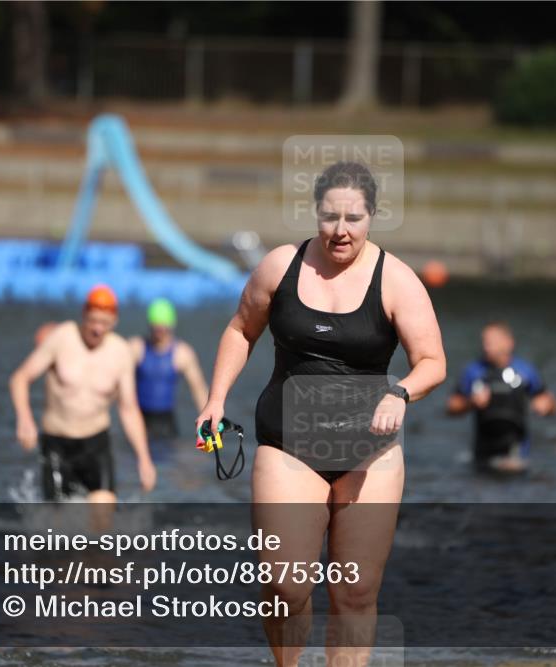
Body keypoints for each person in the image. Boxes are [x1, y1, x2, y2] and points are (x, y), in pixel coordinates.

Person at [196, 161, 445, 666]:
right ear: (316, 214)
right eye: (330, 217)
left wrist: (400, 394)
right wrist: (215, 400)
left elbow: (433, 363)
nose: (340, 230)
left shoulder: (396, 279)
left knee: (355, 593)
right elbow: (241, 330)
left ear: (372, 216)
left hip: (369, 455)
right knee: (285, 586)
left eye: (353, 217)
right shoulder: (280, 266)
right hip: (288, 445)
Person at [10, 284, 157, 502]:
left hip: (96, 444)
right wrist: (25, 419)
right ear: (84, 315)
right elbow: (20, 378)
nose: (97, 329)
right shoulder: (62, 338)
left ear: (114, 322)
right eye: (93, 321)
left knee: (104, 513)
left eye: (104, 323)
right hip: (57, 444)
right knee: (58, 525)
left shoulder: (121, 352)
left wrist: (144, 458)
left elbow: (128, 409)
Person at [446, 322, 556, 473]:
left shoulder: (525, 370)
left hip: (517, 454)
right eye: (484, 342)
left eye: (492, 342)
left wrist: (546, 406)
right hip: (483, 453)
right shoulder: (473, 371)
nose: (486, 346)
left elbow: (549, 402)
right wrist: (471, 402)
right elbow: (452, 407)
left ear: (509, 343)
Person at [128, 298, 209, 448]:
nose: (159, 333)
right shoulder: (136, 348)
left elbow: (199, 391)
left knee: (169, 463)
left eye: (163, 328)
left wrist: (208, 425)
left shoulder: (182, 354)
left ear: (171, 326)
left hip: (166, 423)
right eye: (156, 328)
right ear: (150, 325)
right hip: (139, 420)